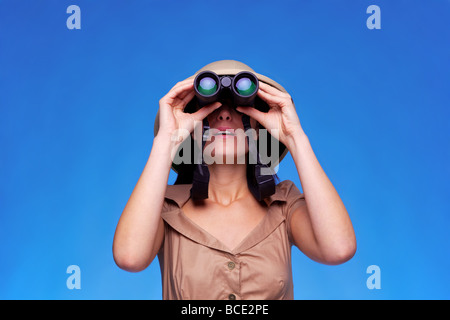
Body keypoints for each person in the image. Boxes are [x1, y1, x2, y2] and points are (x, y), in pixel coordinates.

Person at [113, 60, 356, 300]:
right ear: (193, 129)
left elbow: (338, 249)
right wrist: (167, 138)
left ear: (259, 127)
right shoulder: (164, 207)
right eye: (211, 107)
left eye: (238, 107)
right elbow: (130, 258)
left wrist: (295, 136)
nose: (225, 115)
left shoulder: (283, 204)